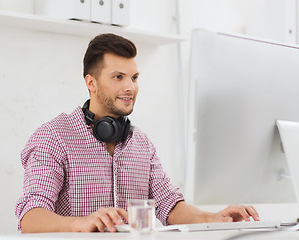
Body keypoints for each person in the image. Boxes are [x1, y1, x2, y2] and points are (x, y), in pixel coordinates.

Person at [15, 33, 260, 233]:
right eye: (118, 77)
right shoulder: (54, 137)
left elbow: (169, 205)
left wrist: (214, 218)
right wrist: (80, 223)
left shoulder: (141, 143)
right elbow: (31, 216)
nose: (130, 87)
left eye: (134, 77)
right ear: (91, 83)